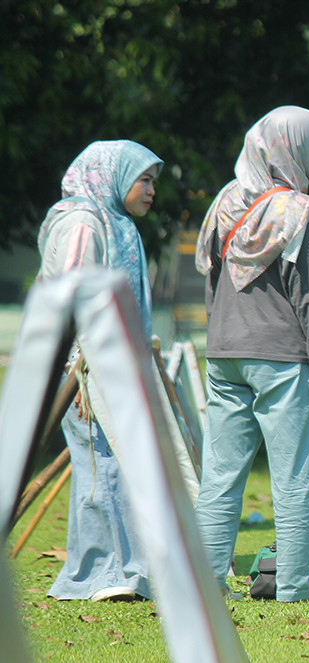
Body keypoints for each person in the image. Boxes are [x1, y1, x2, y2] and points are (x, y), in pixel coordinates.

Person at [194, 106, 309, 602]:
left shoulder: (224, 201)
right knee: (298, 478)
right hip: (282, 359)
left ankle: (208, 582)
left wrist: (218, 342)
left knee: (219, 476)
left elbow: (212, 281)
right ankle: (297, 585)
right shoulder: (296, 210)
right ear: (291, 146)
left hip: (223, 354)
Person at [37, 139, 163, 602]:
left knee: (117, 468)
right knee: (101, 470)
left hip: (114, 367)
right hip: (85, 372)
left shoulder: (118, 223)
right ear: (111, 176)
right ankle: (103, 573)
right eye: (143, 179)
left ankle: (117, 569)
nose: (151, 190)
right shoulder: (84, 223)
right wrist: (83, 369)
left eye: (153, 181)